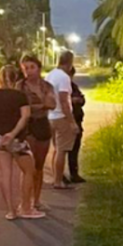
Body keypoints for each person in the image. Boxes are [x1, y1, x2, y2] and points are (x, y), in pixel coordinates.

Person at [0, 65, 45, 221]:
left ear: (0, 78)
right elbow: (25, 116)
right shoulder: (19, 96)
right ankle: (26, 207)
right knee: (29, 170)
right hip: (17, 140)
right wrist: (13, 134)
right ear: (16, 79)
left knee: (5, 174)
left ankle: (11, 211)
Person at [17, 55, 56, 209]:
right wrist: (41, 105)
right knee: (28, 166)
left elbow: (52, 104)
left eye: (32, 67)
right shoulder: (20, 87)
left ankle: (37, 200)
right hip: (26, 126)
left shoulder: (47, 86)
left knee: (39, 166)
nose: (29, 71)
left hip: (42, 125)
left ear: (38, 68)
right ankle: (24, 201)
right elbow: (19, 107)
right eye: (26, 68)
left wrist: (34, 106)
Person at [45, 51, 80, 189]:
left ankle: (56, 178)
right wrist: (72, 122)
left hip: (51, 115)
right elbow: (64, 100)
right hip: (61, 116)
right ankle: (58, 181)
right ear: (70, 63)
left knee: (56, 149)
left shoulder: (50, 74)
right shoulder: (64, 77)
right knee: (62, 150)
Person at [65, 66, 86, 184]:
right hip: (65, 121)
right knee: (62, 150)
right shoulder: (61, 87)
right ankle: (60, 175)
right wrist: (72, 100)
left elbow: (82, 99)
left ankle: (74, 173)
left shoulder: (73, 86)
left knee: (75, 148)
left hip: (77, 120)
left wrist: (78, 100)